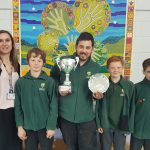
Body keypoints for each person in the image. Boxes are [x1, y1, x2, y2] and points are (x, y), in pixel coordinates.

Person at [51, 32, 103, 150]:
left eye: (87, 47)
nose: (84, 50)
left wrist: (97, 96)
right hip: (66, 117)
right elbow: (52, 79)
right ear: (76, 46)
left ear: (92, 49)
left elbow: (98, 89)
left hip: (87, 119)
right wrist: (58, 89)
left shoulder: (96, 68)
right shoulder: (63, 61)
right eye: (81, 47)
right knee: (70, 147)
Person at [15, 48, 58, 150]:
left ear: (43, 63)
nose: (36, 63)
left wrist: (51, 126)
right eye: (33, 60)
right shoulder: (21, 82)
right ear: (28, 62)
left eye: (39, 60)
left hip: (45, 127)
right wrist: (20, 126)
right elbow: (17, 106)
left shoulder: (49, 81)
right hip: (28, 127)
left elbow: (54, 105)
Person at [96, 56, 135, 150]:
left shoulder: (129, 85)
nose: (115, 70)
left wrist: (130, 126)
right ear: (108, 68)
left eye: (118, 67)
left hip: (121, 125)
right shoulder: (102, 84)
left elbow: (132, 107)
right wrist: (99, 124)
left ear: (122, 68)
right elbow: (97, 106)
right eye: (112, 68)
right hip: (106, 124)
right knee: (105, 147)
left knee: (119, 148)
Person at [0, 30, 22, 150]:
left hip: (15, 112)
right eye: (1, 41)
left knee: (14, 146)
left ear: (12, 43)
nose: (4, 43)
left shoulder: (16, 64)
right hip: (1, 112)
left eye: (7, 40)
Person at [130, 58, 150, 150]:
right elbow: (131, 109)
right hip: (137, 131)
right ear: (143, 72)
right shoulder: (136, 88)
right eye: (149, 71)